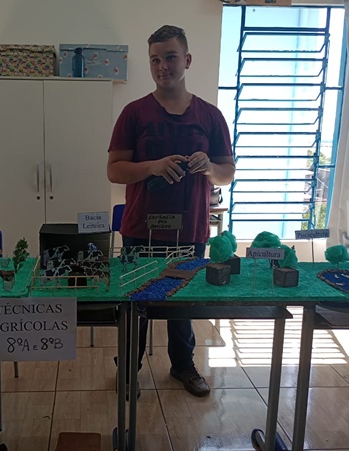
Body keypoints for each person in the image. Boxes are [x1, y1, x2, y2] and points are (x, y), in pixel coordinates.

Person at [107, 25, 235, 397]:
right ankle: (128, 368)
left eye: (171, 57)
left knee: (182, 303)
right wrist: (152, 166)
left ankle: (183, 366)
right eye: (155, 60)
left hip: (190, 231)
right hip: (140, 230)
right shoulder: (134, 113)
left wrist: (208, 167)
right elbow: (114, 170)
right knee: (136, 301)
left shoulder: (210, 116)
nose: (163, 66)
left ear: (187, 60)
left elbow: (227, 173)